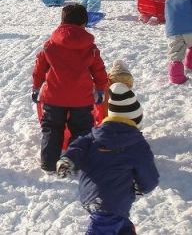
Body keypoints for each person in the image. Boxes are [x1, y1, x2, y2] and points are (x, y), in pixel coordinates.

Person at [56, 83, 159, 235]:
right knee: (106, 224)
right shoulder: (138, 144)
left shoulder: (94, 135)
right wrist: (143, 187)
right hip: (114, 200)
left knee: (119, 223)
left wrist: (67, 160)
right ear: (135, 119)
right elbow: (149, 174)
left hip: (89, 195)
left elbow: (77, 148)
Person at [32, 4, 108, 172]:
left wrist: (36, 87)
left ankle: (49, 164)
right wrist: (101, 89)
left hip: (53, 97)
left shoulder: (51, 44)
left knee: (52, 129)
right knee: (81, 129)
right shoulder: (90, 47)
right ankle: (74, 161)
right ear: (83, 24)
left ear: (62, 22)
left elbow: (39, 67)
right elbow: (99, 71)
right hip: (81, 98)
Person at [164, 0, 192, 84]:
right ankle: (190, 64)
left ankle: (176, 77)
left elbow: (167, 14)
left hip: (175, 31)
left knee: (176, 54)